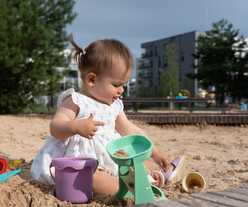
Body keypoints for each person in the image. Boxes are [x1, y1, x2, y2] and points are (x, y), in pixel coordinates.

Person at [31, 35, 186, 196]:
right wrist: (75, 127)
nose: (122, 90)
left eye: (124, 84)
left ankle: (157, 174)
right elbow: (55, 128)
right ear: (92, 79)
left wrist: (155, 153)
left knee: (135, 161)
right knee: (92, 176)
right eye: (116, 85)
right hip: (80, 163)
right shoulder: (76, 101)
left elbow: (132, 132)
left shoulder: (114, 106)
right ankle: (128, 191)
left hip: (111, 159)